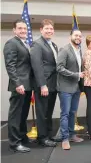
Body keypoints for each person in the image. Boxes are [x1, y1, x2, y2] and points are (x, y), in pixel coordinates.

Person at [3, 19, 33, 153]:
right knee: (15, 115)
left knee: (23, 114)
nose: (23, 31)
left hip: (27, 85)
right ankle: (14, 143)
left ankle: (22, 137)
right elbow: (10, 66)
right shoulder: (11, 43)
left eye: (25, 28)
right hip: (19, 85)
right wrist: (17, 83)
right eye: (20, 28)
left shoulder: (25, 43)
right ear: (14, 30)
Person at [30, 19, 58, 147]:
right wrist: (42, 85)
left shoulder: (53, 45)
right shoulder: (37, 44)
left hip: (53, 84)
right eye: (46, 28)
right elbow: (37, 66)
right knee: (42, 112)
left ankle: (48, 135)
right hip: (44, 85)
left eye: (51, 29)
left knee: (49, 112)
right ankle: (42, 138)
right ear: (41, 30)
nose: (49, 31)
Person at [56, 29, 84, 150]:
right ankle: (65, 138)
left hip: (76, 87)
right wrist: (76, 74)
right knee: (65, 113)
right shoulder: (64, 50)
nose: (78, 37)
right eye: (76, 35)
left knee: (73, 113)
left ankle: (72, 135)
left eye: (80, 36)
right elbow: (59, 68)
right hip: (65, 87)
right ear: (70, 37)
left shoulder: (79, 50)